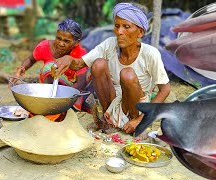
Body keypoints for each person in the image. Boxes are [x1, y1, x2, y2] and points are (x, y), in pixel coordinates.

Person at [54, 3, 171, 134]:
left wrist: (141, 119)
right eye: (117, 26)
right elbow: (80, 64)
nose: (119, 32)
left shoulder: (150, 53)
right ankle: (107, 120)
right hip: (112, 100)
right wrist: (69, 60)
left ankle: (134, 123)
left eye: (126, 27)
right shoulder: (109, 44)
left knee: (127, 74)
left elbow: (165, 89)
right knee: (98, 64)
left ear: (140, 32)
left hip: (137, 106)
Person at [11, 19, 93, 113]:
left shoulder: (80, 54)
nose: (61, 43)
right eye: (58, 38)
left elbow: (81, 83)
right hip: (49, 85)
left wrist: (61, 98)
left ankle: (63, 105)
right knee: (49, 67)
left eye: (66, 41)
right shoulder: (44, 46)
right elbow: (30, 59)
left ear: (76, 42)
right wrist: (20, 70)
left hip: (71, 89)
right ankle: (48, 100)